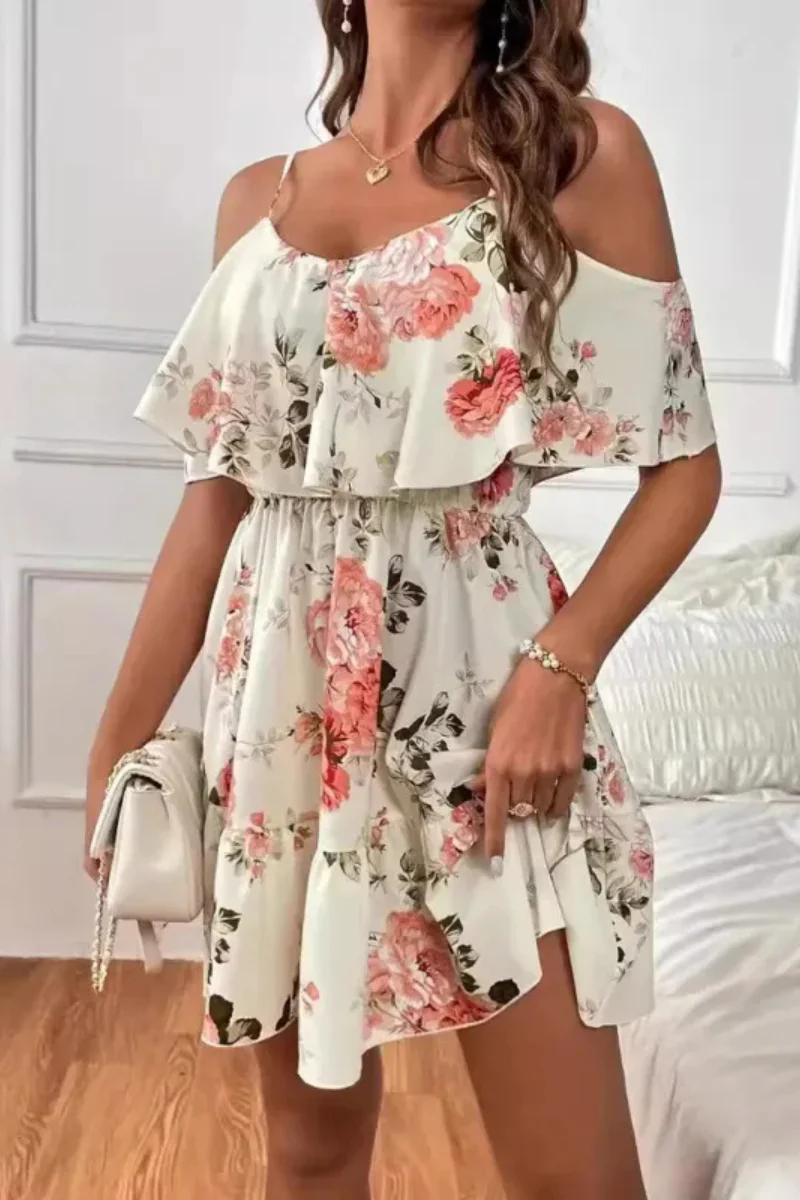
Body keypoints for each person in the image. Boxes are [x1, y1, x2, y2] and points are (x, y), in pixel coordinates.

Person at [84, 1, 721, 1196]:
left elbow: (685, 471)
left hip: (487, 716)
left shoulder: (579, 157)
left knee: (572, 1178)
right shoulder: (257, 200)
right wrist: (114, 744)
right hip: (281, 725)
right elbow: (214, 500)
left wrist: (560, 666)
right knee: (311, 1151)